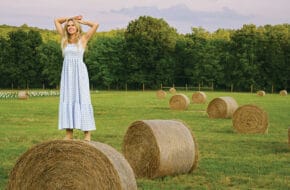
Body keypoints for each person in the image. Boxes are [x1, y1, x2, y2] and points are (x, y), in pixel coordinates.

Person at [54, 15, 99, 141]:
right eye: (68, 26)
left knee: (83, 99)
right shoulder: (64, 39)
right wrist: (71, 17)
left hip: (80, 74)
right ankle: (69, 133)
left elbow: (95, 25)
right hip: (67, 76)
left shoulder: (83, 39)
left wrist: (82, 21)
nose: (70, 27)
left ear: (77, 27)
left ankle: (87, 134)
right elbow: (56, 20)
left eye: (73, 25)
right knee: (68, 99)